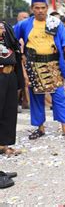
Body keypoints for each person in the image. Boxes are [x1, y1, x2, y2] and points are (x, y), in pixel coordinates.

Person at [14, 0, 65, 139]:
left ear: (47, 8)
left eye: (43, 8)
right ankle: (40, 128)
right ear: (32, 9)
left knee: (59, 96)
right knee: (36, 97)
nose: (40, 11)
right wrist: (21, 56)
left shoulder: (55, 23)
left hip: (54, 64)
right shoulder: (24, 24)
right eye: (37, 8)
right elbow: (13, 39)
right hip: (33, 65)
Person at [0, 21, 24, 156]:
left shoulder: (6, 27)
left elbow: (16, 50)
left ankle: (3, 145)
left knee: (8, 112)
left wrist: (20, 78)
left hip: (10, 75)